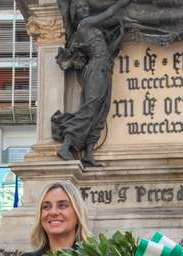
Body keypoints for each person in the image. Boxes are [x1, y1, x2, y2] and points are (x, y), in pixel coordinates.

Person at [53, 0, 132, 165]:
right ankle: (66, 146)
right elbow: (109, 14)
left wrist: (119, 36)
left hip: (104, 67)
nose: (83, 9)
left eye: (85, 7)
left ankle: (89, 152)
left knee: (101, 110)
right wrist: (123, 3)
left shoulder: (94, 29)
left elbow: (107, 52)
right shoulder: (84, 25)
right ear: (74, 14)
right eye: (79, 8)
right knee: (91, 107)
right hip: (96, 69)